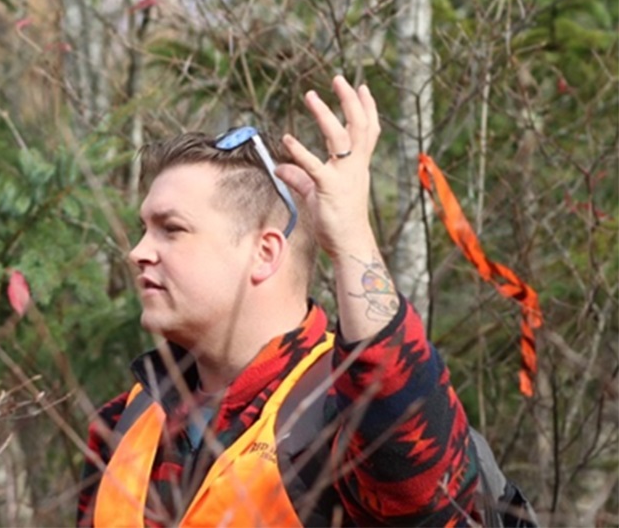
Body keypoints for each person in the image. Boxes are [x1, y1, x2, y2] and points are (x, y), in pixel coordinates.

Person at [77, 76, 479, 526]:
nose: (138, 252)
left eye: (171, 229)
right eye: (143, 229)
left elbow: (421, 495)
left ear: (264, 253)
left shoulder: (338, 417)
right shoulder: (125, 420)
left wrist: (351, 241)